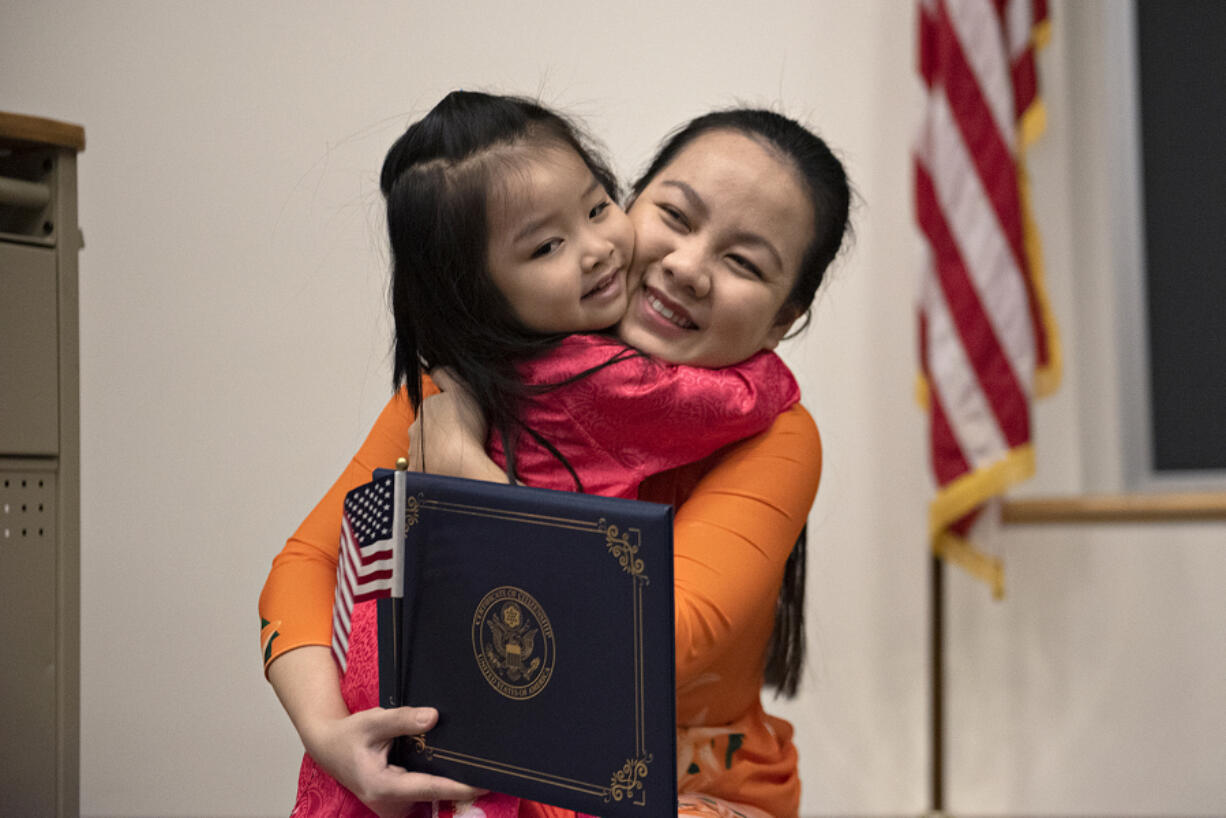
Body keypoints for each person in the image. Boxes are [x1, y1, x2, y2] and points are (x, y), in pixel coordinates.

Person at [261, 97, 850, 818]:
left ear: (785, 318)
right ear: (625, 203)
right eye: (675, 216)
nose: (689, 266)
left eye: (743, 262)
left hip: (691, 789)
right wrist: (331, 738)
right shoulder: (476, 374)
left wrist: (466, 478)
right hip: (491, 770)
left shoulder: (776, 435)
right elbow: (310, 564)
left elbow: (638, 649)